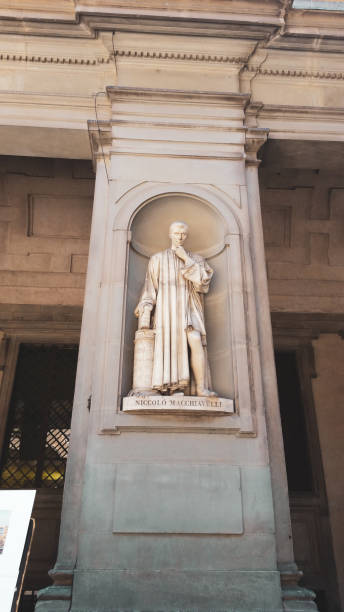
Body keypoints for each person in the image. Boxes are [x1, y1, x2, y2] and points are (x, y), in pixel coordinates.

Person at [135, 220, 216, 397]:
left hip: (189, 306)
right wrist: (146, 309)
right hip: (167, 309)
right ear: (170, 234)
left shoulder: (196, 259)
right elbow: (150, 288)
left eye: (183, 234)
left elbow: (203, 284)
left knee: (195, 339)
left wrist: (185, 258)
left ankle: (201, 388)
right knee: (172, 344)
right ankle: (175, 387)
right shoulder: (157, 259)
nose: (180, 237)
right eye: (177, 233)